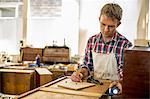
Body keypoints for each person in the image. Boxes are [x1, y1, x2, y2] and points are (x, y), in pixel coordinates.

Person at [71, 3, 132, 95]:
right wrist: (80, 74)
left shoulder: (125, 45)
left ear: (118, 24)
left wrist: (121, 83)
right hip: (95, 90)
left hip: (115, 91)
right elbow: (87, 66)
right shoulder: (92, 41)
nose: (106, 29)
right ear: (99, 19)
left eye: (111, 26)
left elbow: (126, 75)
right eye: (103, 24)